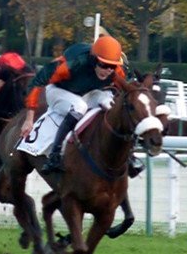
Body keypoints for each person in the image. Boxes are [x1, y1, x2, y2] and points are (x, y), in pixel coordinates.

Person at [20, 35, 127, 174]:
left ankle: (127, 157)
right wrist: (29, 119)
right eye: (104, 65)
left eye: (112, 66)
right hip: (57, 91)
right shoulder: (72, 64)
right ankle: (54, 155)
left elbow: (126, 93)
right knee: (79, 107)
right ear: (93, 59)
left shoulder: (116, 72)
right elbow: (37, 82)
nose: (108, 70)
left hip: (84, 94)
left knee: (110, 103)